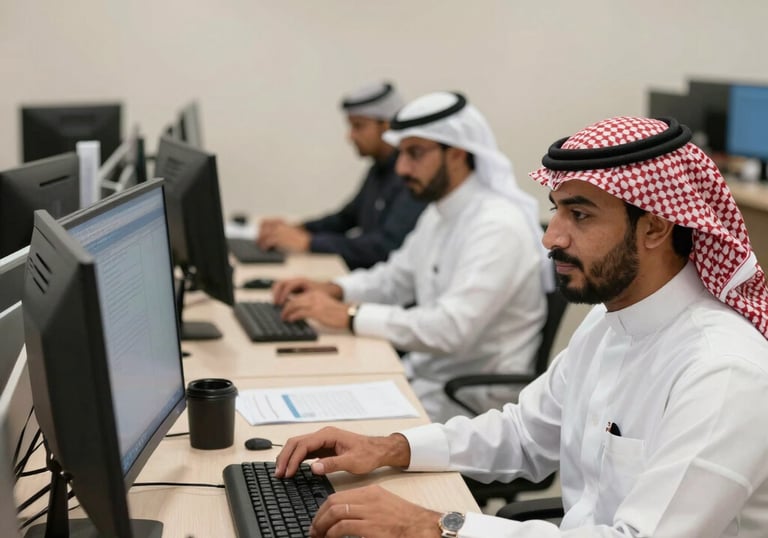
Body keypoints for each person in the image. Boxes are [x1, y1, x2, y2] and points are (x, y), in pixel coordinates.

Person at [274, 116, 768, 537]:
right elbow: (523, 434)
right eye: (557, 211)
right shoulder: (607, 322)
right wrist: (391, 447)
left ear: (656, 227)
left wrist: (434, 526)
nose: (551, 236)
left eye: (580, 215)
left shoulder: (723, 371)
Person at [273, 91, 552, 422]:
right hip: (421, 379)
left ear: (457, 154)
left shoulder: (497, 227)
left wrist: (348, 314)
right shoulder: (439, 212)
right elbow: (394, 278)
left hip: (470, 407)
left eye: (415, 154)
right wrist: (333, 289)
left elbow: (450, 329)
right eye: (402, 153)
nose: (402, 168)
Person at [257, 81, 426, 269]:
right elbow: (345, 218)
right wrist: (297, 229)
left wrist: (309, 242)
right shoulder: (378, 169)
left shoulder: (411, 177)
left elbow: (386, 247)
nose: (350, 136)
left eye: (358, 126)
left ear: (386, 126)